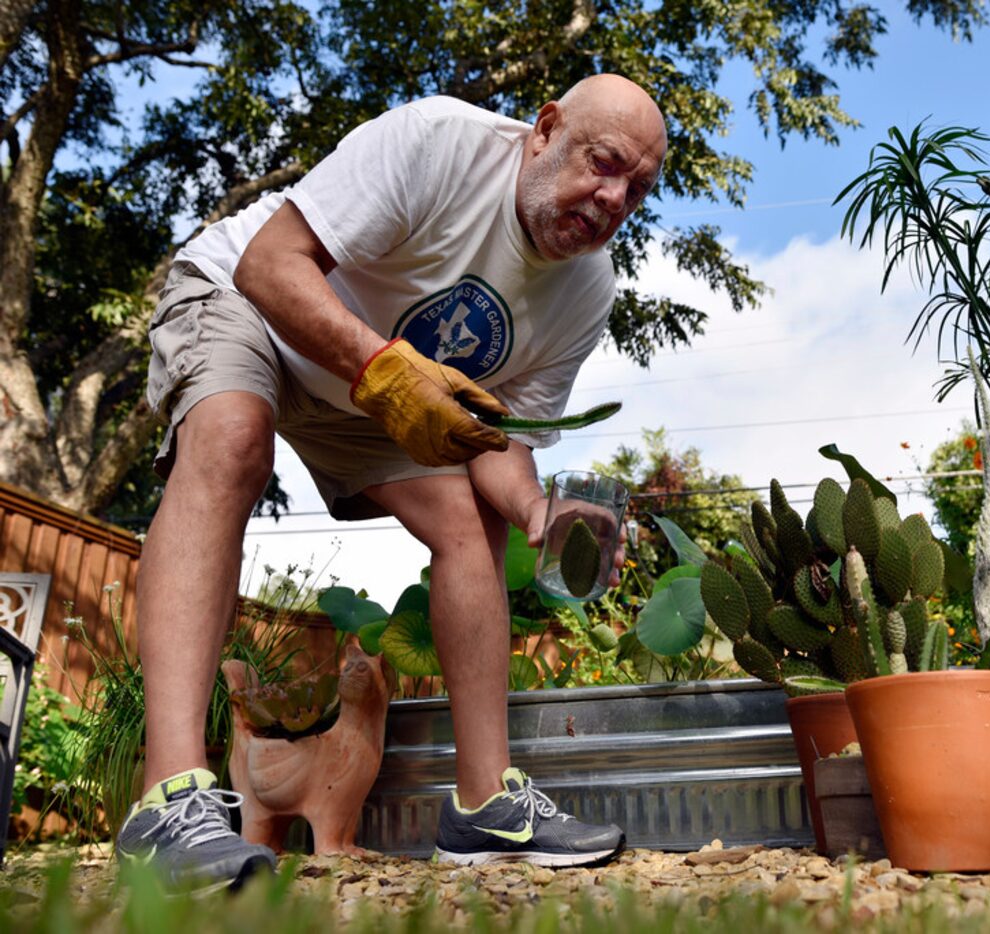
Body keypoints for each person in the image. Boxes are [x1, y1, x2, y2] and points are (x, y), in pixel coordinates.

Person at [116, 74, 667, 890]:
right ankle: (169, 803)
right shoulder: (438, 142)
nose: (613, 196)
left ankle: (483, 806)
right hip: (250, 304)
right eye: (604, 162)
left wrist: (538, 510)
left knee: (470, 516)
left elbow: (495, 437)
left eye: (638, 188)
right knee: (233, 440)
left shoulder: (587, 290)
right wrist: (382, 372)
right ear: (546, 129)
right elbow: (272, 266)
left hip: (368, 392)